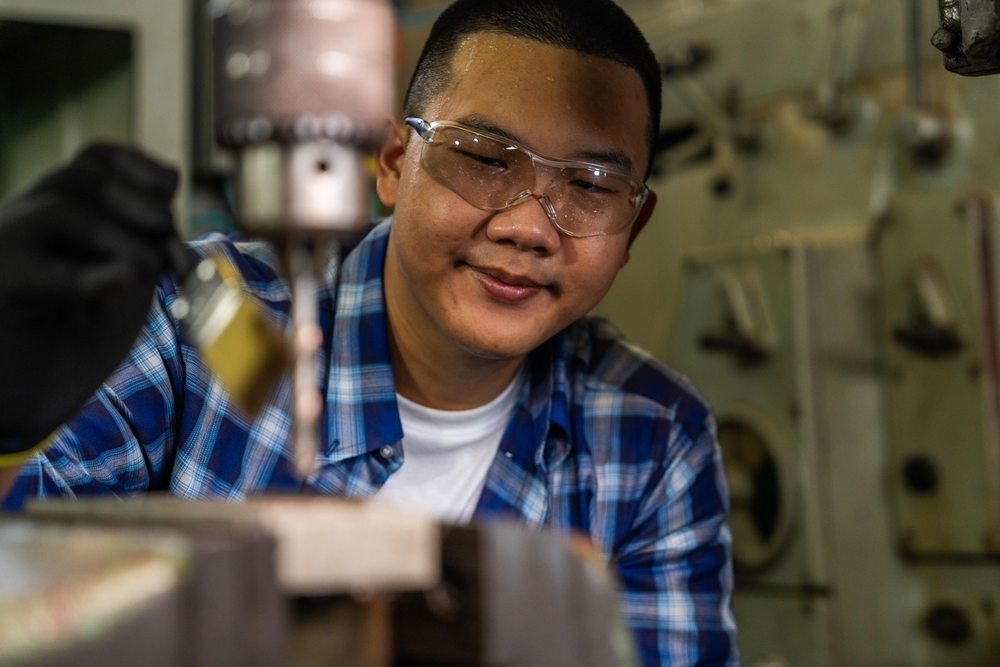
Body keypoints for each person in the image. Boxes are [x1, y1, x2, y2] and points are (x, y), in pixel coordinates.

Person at [0, 0, 737, 664]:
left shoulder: (653, 439)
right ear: (392, 162)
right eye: (484, 159)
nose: (527, 228)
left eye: (591, 186)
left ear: (634, 224)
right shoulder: (181, 329)